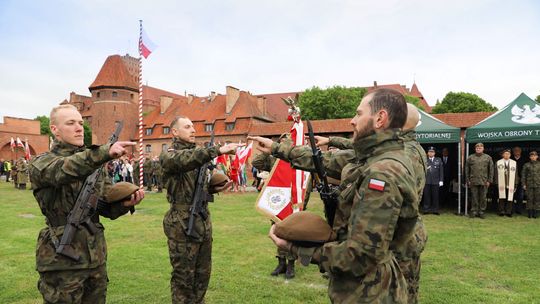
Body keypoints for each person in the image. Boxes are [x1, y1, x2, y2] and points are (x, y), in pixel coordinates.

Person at [258, 88, 417, 303]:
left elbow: (360, 256)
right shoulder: (374, 156)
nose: (352, 121)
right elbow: (325, 162)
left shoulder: (382, 173)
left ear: (380, 118)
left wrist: (295, 248)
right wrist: (279, 149)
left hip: (369, 293)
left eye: (359, 114)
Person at [29, 104, 144, 303]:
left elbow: (104, 206)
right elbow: (65, 169)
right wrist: (102, 153)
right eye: (71, 123)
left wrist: (124, 204)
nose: (79, 127)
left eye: (81, 123)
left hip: (94, 257)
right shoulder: (42, 163)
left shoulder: (95, 165)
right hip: (62, 261)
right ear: (55, 130)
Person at [160, 115, 241, 304]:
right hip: (182, 224)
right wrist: (216, 150)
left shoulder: (198, 155)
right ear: (175, 132)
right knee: (183, 279)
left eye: (193, 126)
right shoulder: (169, 154)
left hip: (202, 220)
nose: (193, 130)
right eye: (187, 126)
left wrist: (213, 188)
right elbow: (184, 161)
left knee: (202, 274)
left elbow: (196, 184)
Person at [466, 143, 494, 219]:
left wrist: (489, 180)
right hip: (473, 180)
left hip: (484, 181)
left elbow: (491, 170)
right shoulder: (470, 157)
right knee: (474, 197)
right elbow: (467, 169)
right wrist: (467, 180)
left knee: (483, 197)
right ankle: (474, 211)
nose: (478, 149)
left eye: (480, 148)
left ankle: (481, 211)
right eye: (477, 148)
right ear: (475, 149)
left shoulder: (488, 157)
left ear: (483, 149)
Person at [495, 149, 518, 217]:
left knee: (510, 197)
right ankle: (501, 211)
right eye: (505, 154)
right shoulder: (498, 162)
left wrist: (516, 183)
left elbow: (516, 174)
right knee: (501, 197)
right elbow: (495, 173)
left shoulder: (514, 163)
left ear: (510, 155)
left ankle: (509, 211)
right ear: (503, 155)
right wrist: (496, 183)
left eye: (508, 154)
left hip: (510, 183)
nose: (507, 155)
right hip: (501, 182)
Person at [423, 147, 443, 215]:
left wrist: (441, 180)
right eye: (429, 151)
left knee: (435, 196)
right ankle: (426, 209)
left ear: (434, 153)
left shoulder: (439, 160)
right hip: (427, 181)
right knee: (426, 196)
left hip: (435, 181)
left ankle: (435, 210)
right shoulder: (424, 160)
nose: (431, 153)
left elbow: (441, 171)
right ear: (427, 153)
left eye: (432, 152)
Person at [521, 151, 540, 218]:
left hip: (538, 185)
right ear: (530, 157)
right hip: (529, 185)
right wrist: (523, 184)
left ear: (537, 156)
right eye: (532, 156)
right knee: (529, 199)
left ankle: (535, 213)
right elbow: (523, 175)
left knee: (537, 199)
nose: (533, 157)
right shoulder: (526, 165)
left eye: (534, 156)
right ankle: (529, 213)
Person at [511, 146, 526, 215]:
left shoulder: (524, 159)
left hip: (521, 181)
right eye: (515, 150)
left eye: (518, 150)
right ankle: (512, 209)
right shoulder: (511, 159)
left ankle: (519, 210)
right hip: (512, 180)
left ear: (520, 151)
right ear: (513, 152)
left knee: (521, 196)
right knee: (512, 195)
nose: (517, 152)